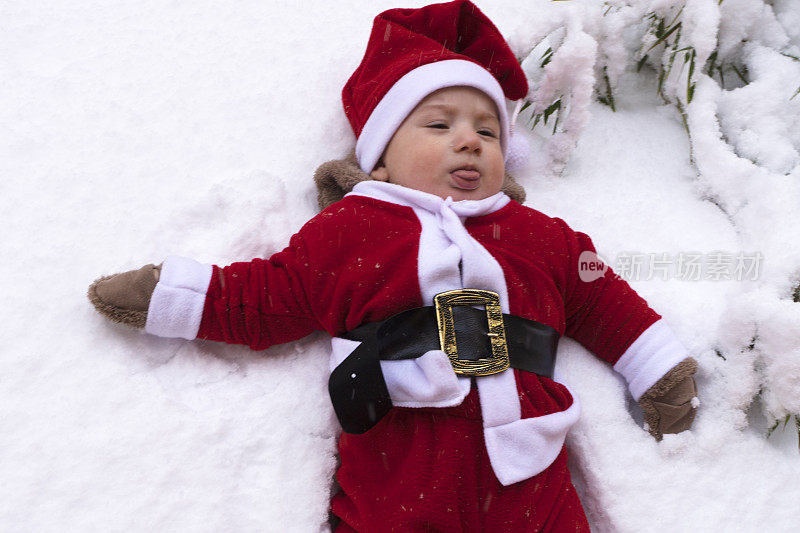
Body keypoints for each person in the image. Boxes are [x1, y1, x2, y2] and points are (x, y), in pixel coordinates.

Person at [88, 1, 699, 530]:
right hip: (400, 467)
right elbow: (265, 298)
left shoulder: (543, 238)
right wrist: (169, 296)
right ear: (379, 159)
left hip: (528, 467)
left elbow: (604, 298)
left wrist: (659, 370)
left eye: (488, 131)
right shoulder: (351, 232)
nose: (469, 141)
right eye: (439, 124)